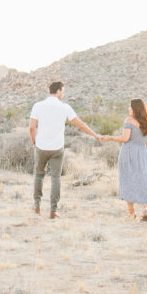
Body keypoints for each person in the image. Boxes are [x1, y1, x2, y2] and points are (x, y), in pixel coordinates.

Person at [29, 81, 101, 219]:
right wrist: (95, 135)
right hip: (57, 148)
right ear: (58, 91)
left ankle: (37, 205)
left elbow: (32, 127)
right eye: (63, 91)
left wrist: (34, 141)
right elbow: (80, 124)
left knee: (39, 175)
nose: (64, 93)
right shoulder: (65, 107)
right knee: (56, 177)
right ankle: (53, 210)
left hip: (41, 146)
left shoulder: (38, 106)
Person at [101, 98, 147, 220]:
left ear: (135, 109)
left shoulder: (129, 120)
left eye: (130, 107)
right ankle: (144, 209)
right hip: (143, 154)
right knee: (142, 181)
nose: (128, 109)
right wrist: (142, 153)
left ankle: (131, 212)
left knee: (128, 180)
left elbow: (125, 138)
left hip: (129, 153)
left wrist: (110, 138)